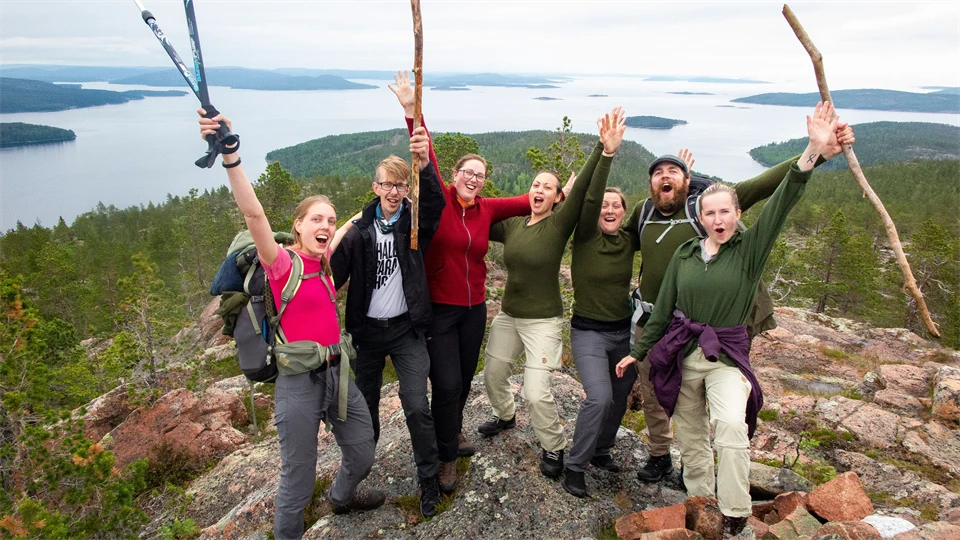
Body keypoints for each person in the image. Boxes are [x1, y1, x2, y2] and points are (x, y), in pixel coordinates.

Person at [616, 102, 843, 535]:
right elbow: (663, 312)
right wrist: (636, 353)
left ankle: (737, 511)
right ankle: (701, 504)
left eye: (726, 212)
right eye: (710, 213)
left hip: (724, 358)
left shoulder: (748, 253)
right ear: (700, 219)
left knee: (730, 427)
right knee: (693, 437)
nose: (718, 219)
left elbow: (783, 199)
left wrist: (813, 151)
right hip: (682, 355)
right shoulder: (685, 255)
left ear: (737, 216)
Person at [198, 109, 385, 539]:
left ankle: (340, 498)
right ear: (297, 227)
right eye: (316, 219)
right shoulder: (283, 265)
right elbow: (255, 216)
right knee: (297, 482)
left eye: (330, 220)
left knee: (362, 451)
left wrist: (367, 210)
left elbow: (343, 233)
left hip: (337, 374)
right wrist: (231, 156)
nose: (325, 226)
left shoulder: (325, 265)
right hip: (297, 383)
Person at [387, 71, 531, 493]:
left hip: (474, 310)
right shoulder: (437, 202)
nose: (474, 178)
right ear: (455, 174)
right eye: (468, 172)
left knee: (464, 380)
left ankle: (451, 430)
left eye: (481, 174)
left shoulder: (486, 209)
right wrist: (413, 113)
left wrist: (562, 193)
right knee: (446, 383)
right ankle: (446, 458)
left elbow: (530, 200)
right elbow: (424, 156)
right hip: (440, 310)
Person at [479, 107, 626, 479]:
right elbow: (473, 222)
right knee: (493, 375)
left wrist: (604, 151)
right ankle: (505, 415)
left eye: (548, 186)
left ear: (559, 196)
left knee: (536, 391)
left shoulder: (560, 225)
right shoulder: (512, 224)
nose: (539, 190)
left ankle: (554, 445)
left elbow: (588, 198)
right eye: (535, 185)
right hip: (509, 316)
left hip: (543, 321)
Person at [329, 121, 446, 518]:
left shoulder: (415, 225)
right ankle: (356, 481)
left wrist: (425, 163)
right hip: (366, 335)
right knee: (366, 410)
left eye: (401, 185)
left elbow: (437, 203)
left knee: (416, 406)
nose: (394, 191)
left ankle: (428, 480)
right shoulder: (358, 232)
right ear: (375, 187)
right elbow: (332, 277)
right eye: (387, 184)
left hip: (406, 330)